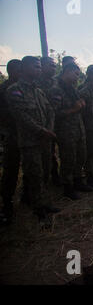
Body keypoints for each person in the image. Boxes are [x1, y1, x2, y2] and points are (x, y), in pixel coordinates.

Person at [6, 56, 59, 223]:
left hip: (45, 139)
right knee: (34, 175)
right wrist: (42, 131)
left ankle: (44, 202)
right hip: (30, 142)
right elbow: (22, 116)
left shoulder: (38, 90)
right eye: (36, 66)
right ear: (24, 69)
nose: (39, 69)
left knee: (44, 172)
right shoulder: (15, 90)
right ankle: (38, 209)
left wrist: (48, 130)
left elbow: (49, 110)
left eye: (39, 67)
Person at [50, 63, 93, 200]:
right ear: (67, 72)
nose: (77, 78)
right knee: (68, 159)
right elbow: (54, 113)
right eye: (76, 74)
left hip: (78, 128)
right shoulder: (56, 90)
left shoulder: (72, 89)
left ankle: (78, 181)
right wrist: (73, 109)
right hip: (65, 130)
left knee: (81, 156)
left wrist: (81, 105)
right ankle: (67, 187)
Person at [0, 59, 23, 224]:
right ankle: (6, 203)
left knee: (31, 168)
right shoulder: (4, 90)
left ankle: (28, 197)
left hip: (27, 135)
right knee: (11, 171)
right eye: (18, 69)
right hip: (11, 135)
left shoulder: (26, 89)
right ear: (11, 71)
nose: (21, 72)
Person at [37, 56, 61, 186]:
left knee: (51, 155)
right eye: (50, 65)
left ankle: (54, 177)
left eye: (54, 65)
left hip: (56, 123)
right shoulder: (35, 83)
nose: (53, 68)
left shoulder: (56, 82)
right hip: (40, 127)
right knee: (39, 160)